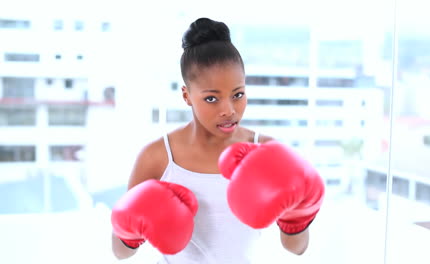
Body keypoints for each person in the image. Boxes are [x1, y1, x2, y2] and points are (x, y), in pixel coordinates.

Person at [110, 17, 325, 263]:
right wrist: (130, 232)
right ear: (187, 95)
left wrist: (299, 214)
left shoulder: (264, 150)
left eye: (238, 94)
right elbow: (120, 251)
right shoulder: (157, 156)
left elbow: (296, 248)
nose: (229, 110)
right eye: (212, 98)